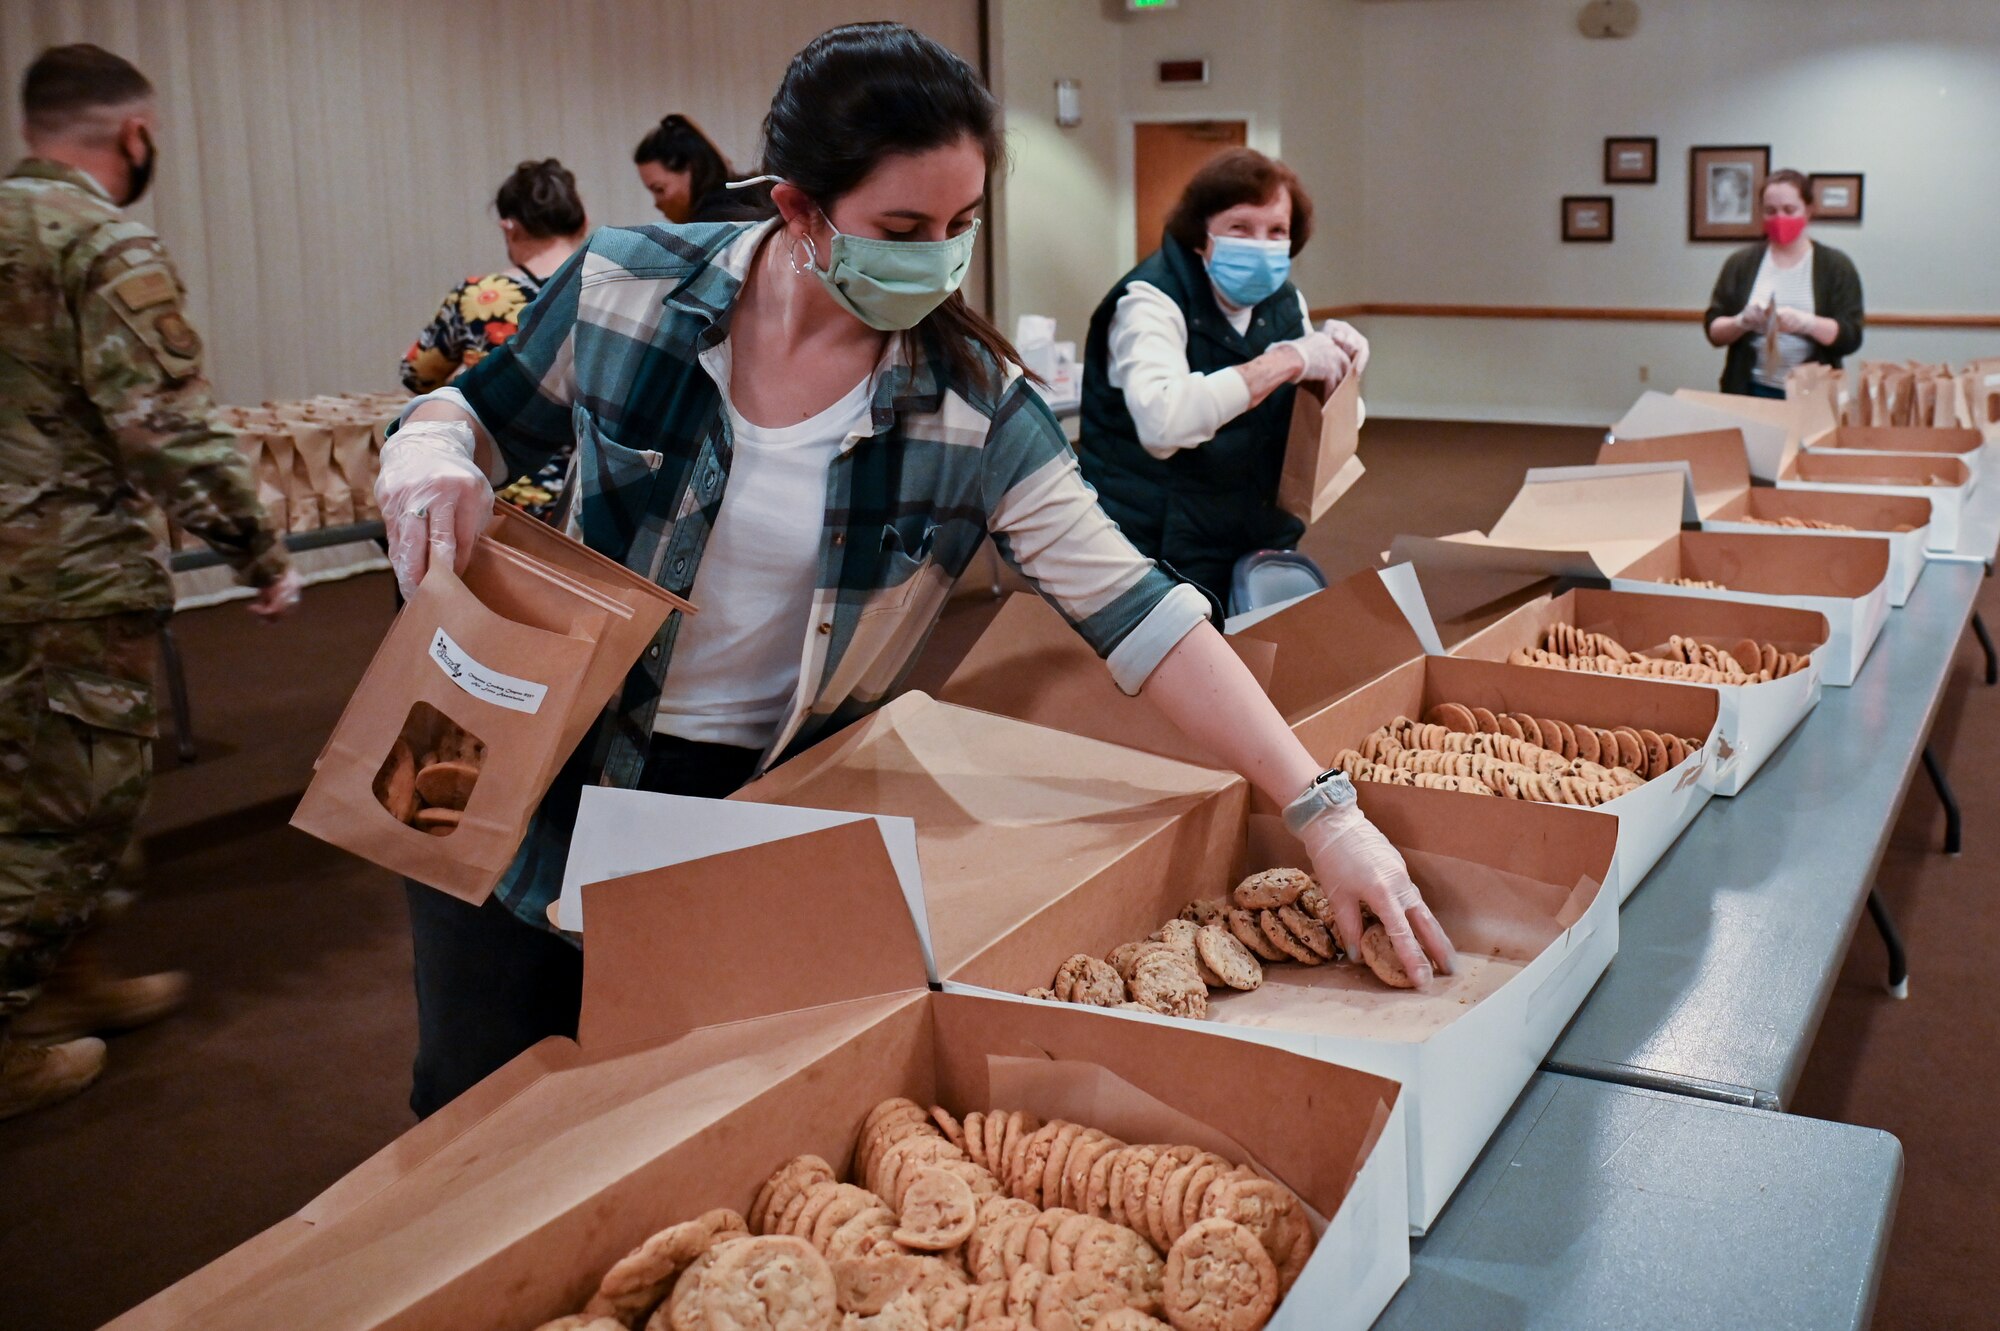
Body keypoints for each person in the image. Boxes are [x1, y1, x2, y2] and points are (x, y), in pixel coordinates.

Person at [378, 22, 1454, 1117]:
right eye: (900, 227)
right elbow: (477, 411)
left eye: (958, 225)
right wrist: (426, 447)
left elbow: (1142, 613)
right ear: (798, 207)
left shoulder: (971, 406)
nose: (936, 258)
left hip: (751, 803)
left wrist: (1323, 810)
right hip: (533, 762)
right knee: (479, 1098)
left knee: (679, 1110)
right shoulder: (623, 288)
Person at [0, 45, 300, 1119]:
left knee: (43, 789)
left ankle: (68, 981)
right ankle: (9, 1034)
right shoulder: (101, 242)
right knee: (65, 809)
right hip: (63, 578)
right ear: (134, 135)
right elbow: (161, 424)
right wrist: (253, 547)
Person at [1076, 149, 1368, 603]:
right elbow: (1163, 425)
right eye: (1240, 228)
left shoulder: (1286, 302)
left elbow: (1329, 426)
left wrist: (1342, 373)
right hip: (1157, 542)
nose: (1261, 244)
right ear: (1201, 236)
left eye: (1276, 231)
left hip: (1257, 528)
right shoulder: (1149, 301)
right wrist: (1284, 361)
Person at [402, 159, 589, 519]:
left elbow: (416, 375)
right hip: (586, 499)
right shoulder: (604, 291)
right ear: (582, 223)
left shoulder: (479, 296)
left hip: (503, 498)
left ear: (509, 227)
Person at [1703, 168, 1865, 398]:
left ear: (1809, 210)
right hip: (1749, 390)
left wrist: (1807, 323)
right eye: (1770, 211)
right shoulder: (1741, 263)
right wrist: (1741, 322)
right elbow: (1714, 331)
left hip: (1812, 394)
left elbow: (1851, 337)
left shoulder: (1835, 266)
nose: (1780, 218)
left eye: (1789, 210)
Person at [632, 112, 772, 224]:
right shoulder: (748, 196)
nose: (657, 203)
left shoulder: (714, 223)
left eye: (659, 189)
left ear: (692, 169)